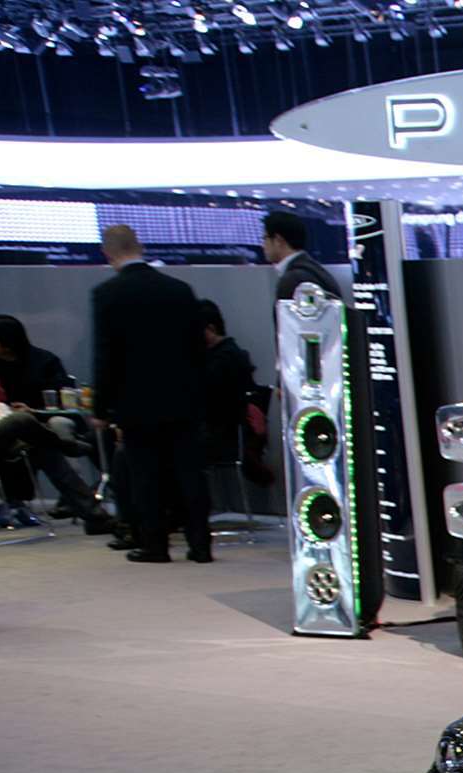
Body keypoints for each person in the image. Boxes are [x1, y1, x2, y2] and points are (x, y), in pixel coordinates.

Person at [91, 223, 210, 564]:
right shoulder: (179, 290)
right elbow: (197, 348)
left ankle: (155, 544)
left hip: (136, 401)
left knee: (146, 476)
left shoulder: (107, 294)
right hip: (183, 397)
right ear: (140, 246)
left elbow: (106, 355)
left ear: (107, 253)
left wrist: (101, 406)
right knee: (190, 473)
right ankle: (200, 545)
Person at [0, 316, 109, 530]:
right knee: (24, 422)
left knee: (43, 447)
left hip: (3, 426)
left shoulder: (40, 361)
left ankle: (95, 516)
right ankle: (66, 445)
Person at [197, 300, 259, 476]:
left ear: (210, 329)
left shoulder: (221, 361)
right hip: (232, 436)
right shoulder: (233, 354)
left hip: (222, 437)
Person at [262, 211, 340, 303]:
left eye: (265, 238)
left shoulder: (293, 280)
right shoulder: (314, 270)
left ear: (278, 240)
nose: (263, 245)